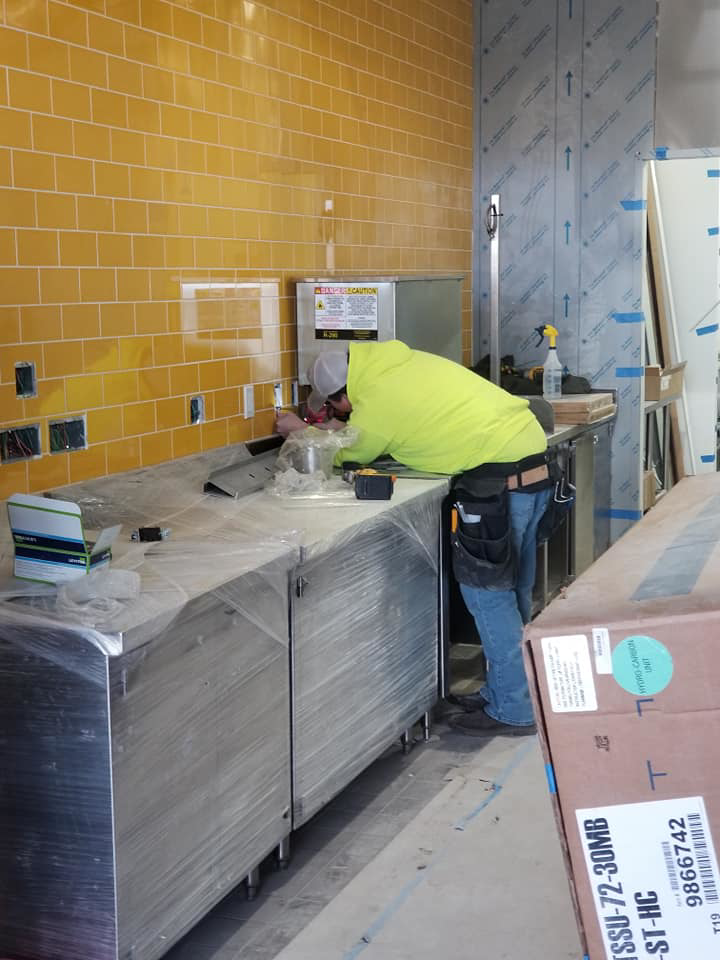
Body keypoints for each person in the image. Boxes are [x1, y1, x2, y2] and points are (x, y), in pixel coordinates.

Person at [276, 339, 554, 737]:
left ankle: (513, 709)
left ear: (344, 394)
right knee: (513, 591)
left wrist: (301, 431)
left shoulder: (376, 399)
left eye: (337, 407)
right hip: (532, 467)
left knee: (488, 598)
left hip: (498, 482)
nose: (340, 413)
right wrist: (340, 427)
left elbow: (351, 453)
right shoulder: (398, 364)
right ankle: (513, 692)